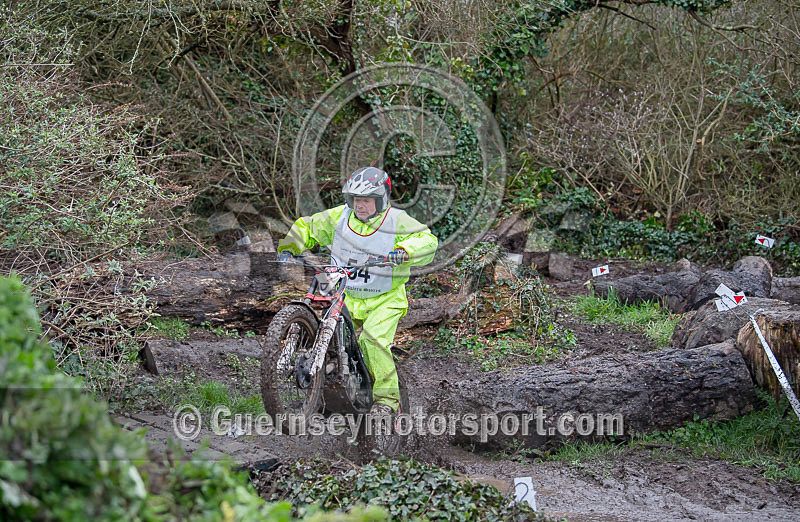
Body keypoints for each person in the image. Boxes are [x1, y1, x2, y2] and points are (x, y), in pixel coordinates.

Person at [277, 166, 438, 416]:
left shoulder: (396, 219)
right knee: (328, 331)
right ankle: (327, 386)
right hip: (347, 295)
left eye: (366, 200)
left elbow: (426, 240)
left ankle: (387, 401)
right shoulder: (339, 217)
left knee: (371, 341)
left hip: (385, 299)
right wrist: (289, 246)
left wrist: (405, 251)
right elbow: (307, 227)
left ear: (381, 199)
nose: (360, 206)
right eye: (356, 200)